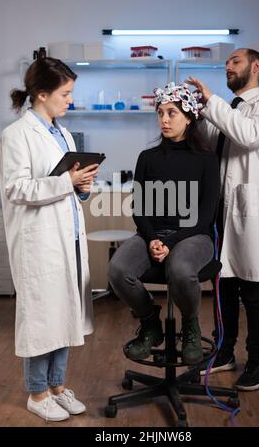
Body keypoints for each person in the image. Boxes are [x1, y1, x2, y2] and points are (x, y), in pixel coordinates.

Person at [0, 57, 99, 421]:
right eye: (65, 94)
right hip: (38, 242)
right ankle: (37, 394)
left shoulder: (63, 133)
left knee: (64, 314)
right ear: (41, 93)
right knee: (42, 319)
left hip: (66, 237)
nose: (70, 100)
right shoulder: (16, 135)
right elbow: (16, 188)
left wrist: (82, 186)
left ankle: (57, 386)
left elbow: (66, 188)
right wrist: (66, 182)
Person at [186, 48, 259, 391]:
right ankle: (225, 352)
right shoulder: (224, 112)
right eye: (226, 63)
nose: (228, 67)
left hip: (248, 211)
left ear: (255, 67)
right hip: (219, 211)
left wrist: (212, 102)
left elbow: (247, 135)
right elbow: (205, 148)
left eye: (235, 62)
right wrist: (192, 113)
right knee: (222, 286)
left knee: (253, 288)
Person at [108, 82, 220, 365]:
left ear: (189, 116)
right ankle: (150, 322)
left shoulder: (207, 160)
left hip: (193, 236)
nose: (164, 120)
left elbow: (206, 216)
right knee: (118, 270)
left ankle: (191, 326)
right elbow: (140, 208)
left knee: (181, 269)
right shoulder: (147, 158)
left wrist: (169, 243)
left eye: (171, 113)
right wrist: (151, 239)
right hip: (151, 234)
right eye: (160, 113)